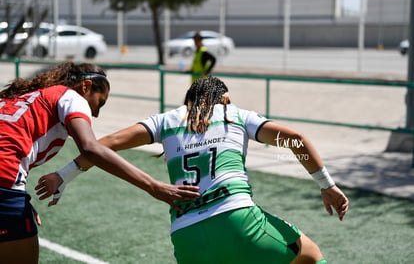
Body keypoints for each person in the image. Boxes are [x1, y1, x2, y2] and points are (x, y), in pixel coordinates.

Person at [38, 76, 349, 264]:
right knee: (309, 255)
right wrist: (327, 185)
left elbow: (101, 145)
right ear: (223, 98)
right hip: (237, 218)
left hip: (186, 234)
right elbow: (294, 140)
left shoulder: (165, 121)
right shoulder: (234, 114)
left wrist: (62, 175)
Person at [0, 62, 200, 264]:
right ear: (86, 87)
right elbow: (91, 148)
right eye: (99, 103)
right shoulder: (71, 97)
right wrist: (154, 186)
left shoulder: (20, 100)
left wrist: (18, 195)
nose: (96, 114)